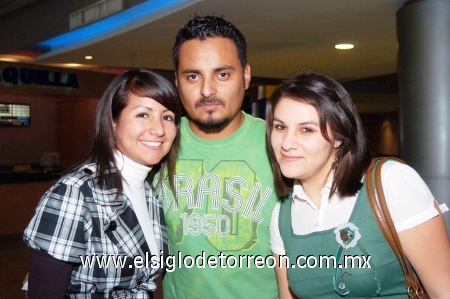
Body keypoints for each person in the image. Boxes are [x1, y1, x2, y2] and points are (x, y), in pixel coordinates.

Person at [266, 71, 450, 298]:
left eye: (307, 129)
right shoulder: (282, 215)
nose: (287, 143)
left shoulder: (391, 182)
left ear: (338, 136)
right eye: (280, 127)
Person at [23, 68, 181, 298]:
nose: (158, 130)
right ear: (113, 123)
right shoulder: (75, 192)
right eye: (143, 114)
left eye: (167, 117)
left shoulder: (149, 191)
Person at [154, 16, 278, 298]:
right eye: (193, 76)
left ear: (246, 76)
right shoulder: (157, 143)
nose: (207, 90)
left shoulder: (282, 145)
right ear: (176, 81)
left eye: (222, 74)